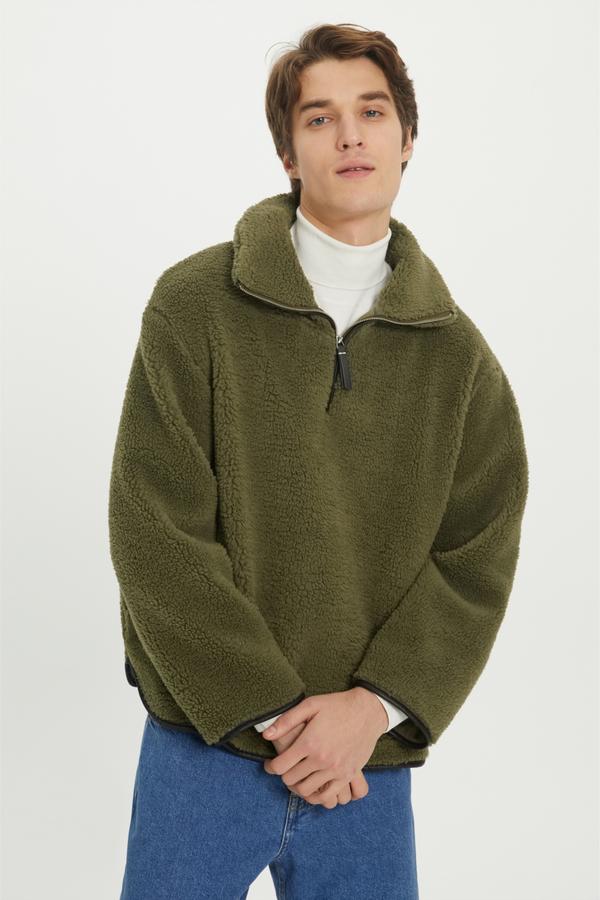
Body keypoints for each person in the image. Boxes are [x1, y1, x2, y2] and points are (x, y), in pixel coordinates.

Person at [109, 22, 529, 899]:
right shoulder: (194, 308)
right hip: (204, 747)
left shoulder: (460, 361)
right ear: (287, 153)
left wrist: (370, 710)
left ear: (406, 139)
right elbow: (155, 532)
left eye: (372, 112)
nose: (349, 135)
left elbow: (474, 559)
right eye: (319, 117)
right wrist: (279, 716)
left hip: (362, 764)